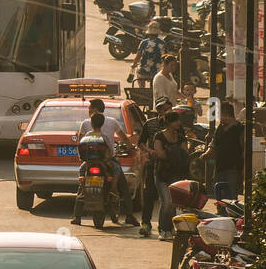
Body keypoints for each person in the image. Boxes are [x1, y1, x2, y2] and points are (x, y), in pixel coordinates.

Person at [74, 99, 138, 225]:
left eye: (89, 108)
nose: (88, 110)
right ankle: (129, 215)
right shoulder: (112, 122)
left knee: (82, 184)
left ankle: (77, 216)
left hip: (89, 162)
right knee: (123, 186)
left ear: (94, 109)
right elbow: (123, 138)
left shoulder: (85, 124)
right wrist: (131, 147)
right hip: (108, 161)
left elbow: (80, 143)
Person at [136, 96, 173, 238]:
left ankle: (167, 226)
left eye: (168, 109)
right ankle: (146, 224)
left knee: (169, 199)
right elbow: (140, 143)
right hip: (152, 165)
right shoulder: (149, 124)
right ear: (158, 110)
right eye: (163, 109)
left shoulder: (174, 125)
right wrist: (150, 151)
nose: (165, 112)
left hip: (169, 166)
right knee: (149, 194)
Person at [151, 108, 190, 240]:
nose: (178, 123)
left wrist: (172, 152)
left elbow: (185, 153)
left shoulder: (181, 137)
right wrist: (175, 152)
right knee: (166, 202)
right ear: (169, 123)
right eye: (176, 121)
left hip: (177, 175)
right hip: (162, 174)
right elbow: (159, 154)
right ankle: (163, 229)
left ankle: (170, 228)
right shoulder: (159, 136)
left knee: (173, 203)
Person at [203, 100, 244, 198]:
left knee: (231, 195)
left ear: (226, 114)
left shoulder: (240, 129)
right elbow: (214, 143)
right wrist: (206, 154)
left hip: (233, 168)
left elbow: (245, 150)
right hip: (219, 167)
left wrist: (244, 170)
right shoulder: (220, 128)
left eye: (220, 114)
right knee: (219, 194)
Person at [132, 20, 166, 90]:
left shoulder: (144, 42)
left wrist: (134, 64)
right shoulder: (163, 43)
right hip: (157, 71)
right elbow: (165, 57)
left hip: (143, 71)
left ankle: (142, 89)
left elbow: (138, 56)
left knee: (138, 73)